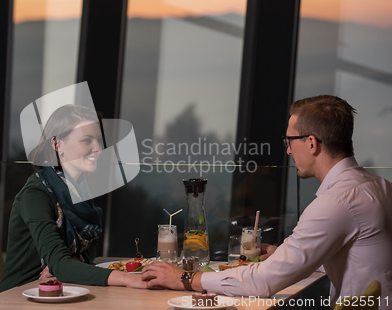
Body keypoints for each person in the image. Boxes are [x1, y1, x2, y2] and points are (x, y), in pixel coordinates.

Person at [141, 95, 392, 308]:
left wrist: (185, 278)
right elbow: (363, 256)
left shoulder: (336, 202)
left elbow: (264, 282)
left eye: (289, 141)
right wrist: (282, 255)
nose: (288, 151)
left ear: (312, 143)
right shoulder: (380, 187)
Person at [0, 104, 145, 292]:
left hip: (61, 290)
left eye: (99, 140)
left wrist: (77, 260)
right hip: (20, 296)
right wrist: (129, 279)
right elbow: (60, 266)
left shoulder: (78, 189)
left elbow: (91, 244)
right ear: (57, 144)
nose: (98, 148)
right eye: (87, 140)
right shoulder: (35, 195)